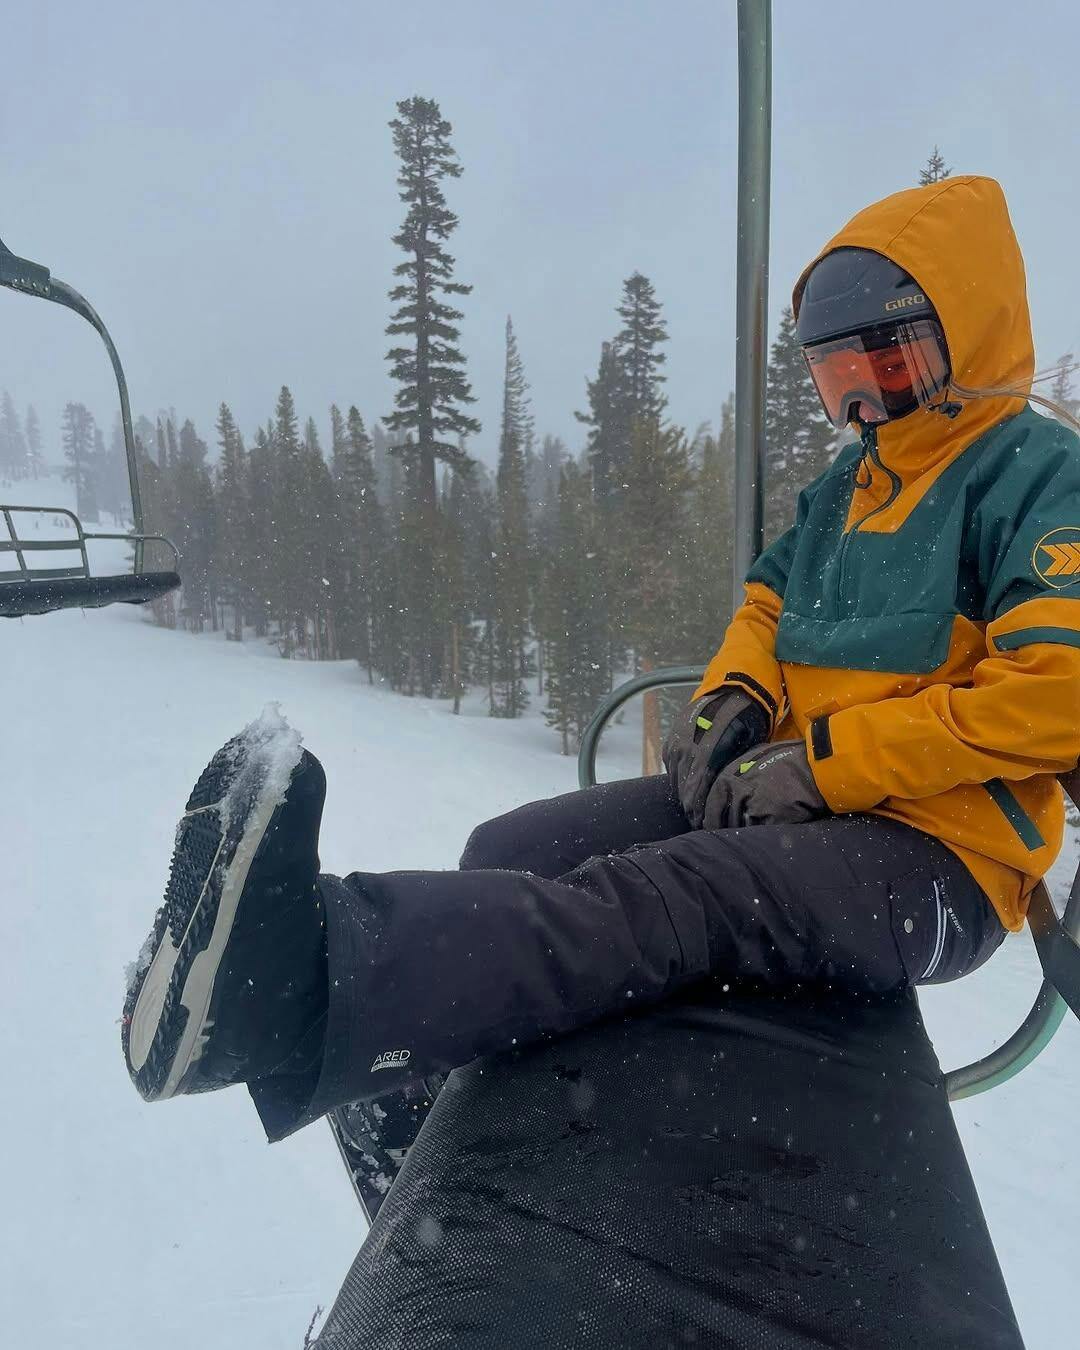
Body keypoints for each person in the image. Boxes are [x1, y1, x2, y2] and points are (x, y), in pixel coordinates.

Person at [123, 175, 1080, 1149]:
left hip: (942, 856)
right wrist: (732, 699)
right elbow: (768, 603)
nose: (865, 402)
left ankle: (295, 995)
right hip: (799, 794)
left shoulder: (1032, 475)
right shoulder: (850, 483)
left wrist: (827, 763)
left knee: (674, 899)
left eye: (891, 363)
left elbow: (1058, 693)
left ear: (969, 341)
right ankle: (422, 1135)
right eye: (838, 378)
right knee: (515, 846)